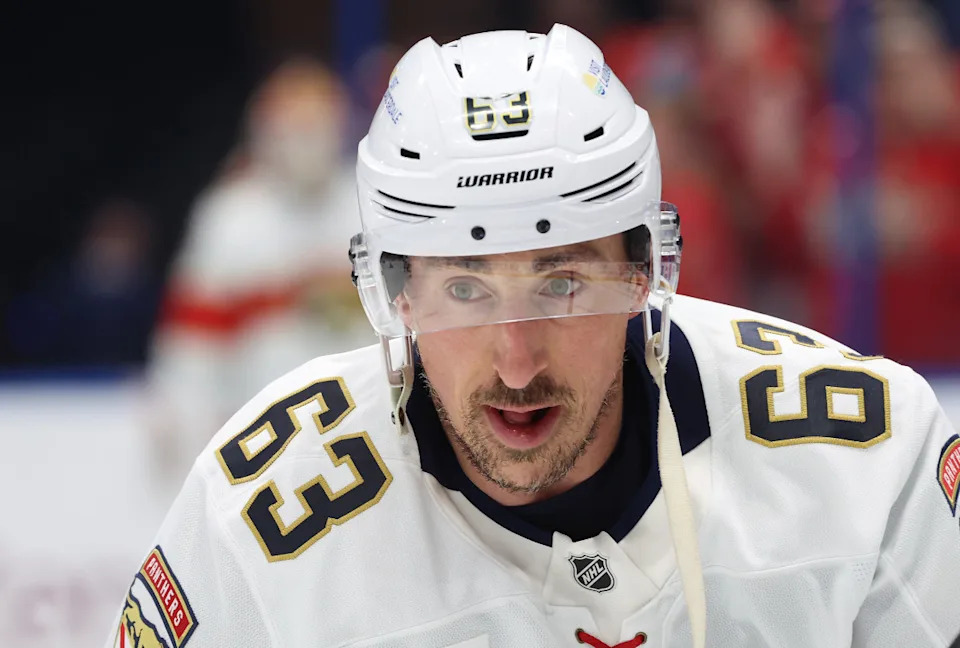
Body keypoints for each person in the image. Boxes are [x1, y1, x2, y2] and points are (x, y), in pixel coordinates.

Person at [105, 25, 960, 648]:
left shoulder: (867, 459)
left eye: (562, 282)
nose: (516, 360)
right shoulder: (260, 518)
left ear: (643, 274)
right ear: (396, 295)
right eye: (465, 289)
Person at [145, 58, 373, 480]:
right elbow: (191, 344)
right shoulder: (231, 216)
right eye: (296, 129)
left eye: (318, 126)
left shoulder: (368, 204)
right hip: (259, 438)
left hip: (366, 433)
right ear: (265, 131)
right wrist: (181, 423)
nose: (308, 142)